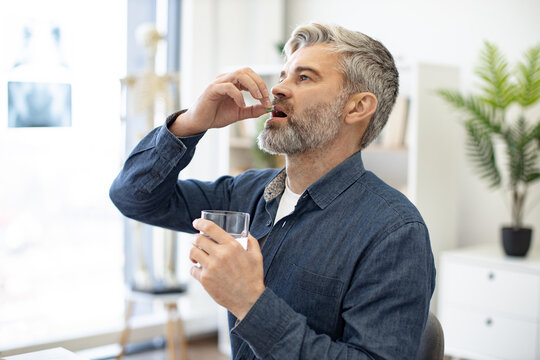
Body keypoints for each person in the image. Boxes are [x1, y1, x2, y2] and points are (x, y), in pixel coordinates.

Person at [110, 23, 435, 359]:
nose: (278, 88)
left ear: (356, 107)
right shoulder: (247, 191)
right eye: (283, 75)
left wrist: (249, 302)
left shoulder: (395, 233)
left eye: (304, 77)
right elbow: (133, 197)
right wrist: (192, 122)